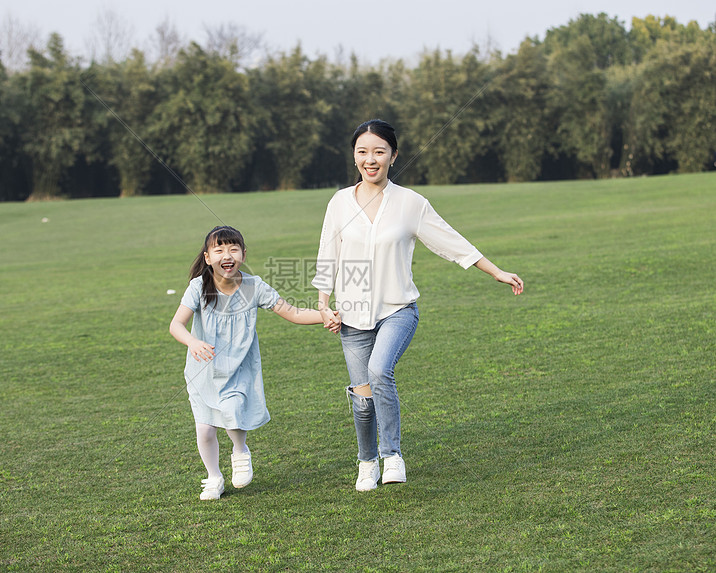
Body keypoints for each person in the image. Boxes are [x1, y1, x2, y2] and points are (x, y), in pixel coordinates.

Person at [313, 119, 524, 492]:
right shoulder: (339, 202)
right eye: (362, 152)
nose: (370, 159)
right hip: (352, 316)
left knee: (380, 372)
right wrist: (324, 304)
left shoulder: (410, 203)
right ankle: (367, 463)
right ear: (354, 156)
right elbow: (328, 254)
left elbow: (450, 240)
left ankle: (392, 454)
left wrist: (496, 271)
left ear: (393, 156)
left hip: (398, 309)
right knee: (362, 397)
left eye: (379, 151)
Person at [170, 225, 333, 500]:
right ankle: (213, 477)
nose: (227, 255)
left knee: (233, 411)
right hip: (203, 371)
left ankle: (240, 451)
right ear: (208, 257)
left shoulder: (254, 286)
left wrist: (325, 316)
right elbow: (176, 325)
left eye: (233, 249)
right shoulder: (198, 287)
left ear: (243, 254)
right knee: (205, 428)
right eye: (219, 249)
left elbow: (292, 313)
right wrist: (193, 342)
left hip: (238, 367)